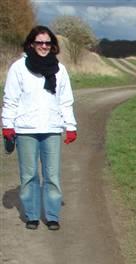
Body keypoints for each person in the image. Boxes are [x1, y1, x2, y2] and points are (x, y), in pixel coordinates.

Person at [2, 25, 77, 231]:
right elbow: (10, 100)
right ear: (31, 44)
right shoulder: (19, 68)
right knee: (29, 176)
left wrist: (70, 126)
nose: (43, 46)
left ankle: (52, 215)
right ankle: (32, 215)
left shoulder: (60, 70)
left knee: (52, 176)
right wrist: (7, 126)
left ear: (52, 45)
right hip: (25, 130)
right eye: (39, 42)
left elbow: (65, 101)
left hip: (52, 129)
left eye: (47, 43)